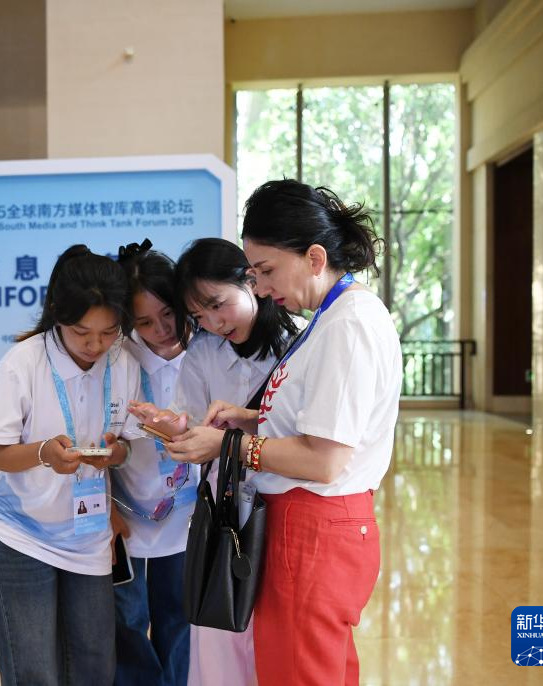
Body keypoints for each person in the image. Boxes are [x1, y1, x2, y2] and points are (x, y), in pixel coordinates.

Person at [176, 180, 402, 685]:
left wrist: (229, 444)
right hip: (305, 524)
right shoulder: (332, 318)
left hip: (316, 526)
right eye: (254, 274)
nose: (259, 287)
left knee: (299, 672)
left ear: (315, 258)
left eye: (267, 270)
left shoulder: (348, 325)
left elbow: (323, 460)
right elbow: (317, 424)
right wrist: (248, 418)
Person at [128, 237, 300, 686]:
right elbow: (191, 427)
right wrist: (168, 427)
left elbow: (310, 437)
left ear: (251, 280)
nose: (214, 322)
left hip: (288, 504)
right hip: (225, 512)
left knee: (278, 630)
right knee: (221, 627)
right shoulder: (204, 351)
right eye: (200, 315)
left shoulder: (299, 343)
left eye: (218, 305)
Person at [0, 244, 140, 686]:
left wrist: (116, 452)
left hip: (87, 534)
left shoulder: (122, 361)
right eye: (81, 332)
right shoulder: (22, 363)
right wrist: (44, 453)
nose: (95, 345)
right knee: (35, 668)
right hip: (22, 532)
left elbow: (126, 445)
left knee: (95, 661)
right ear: (56, 315)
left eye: (109, 332)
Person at [109, 240, 193, 686]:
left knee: (177, 618)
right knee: (128, 620)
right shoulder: (117, 359)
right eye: (144, 322)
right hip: (128, 515)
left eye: (168, 314)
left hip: (187, 515)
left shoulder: (205, 351)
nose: (161, 330)